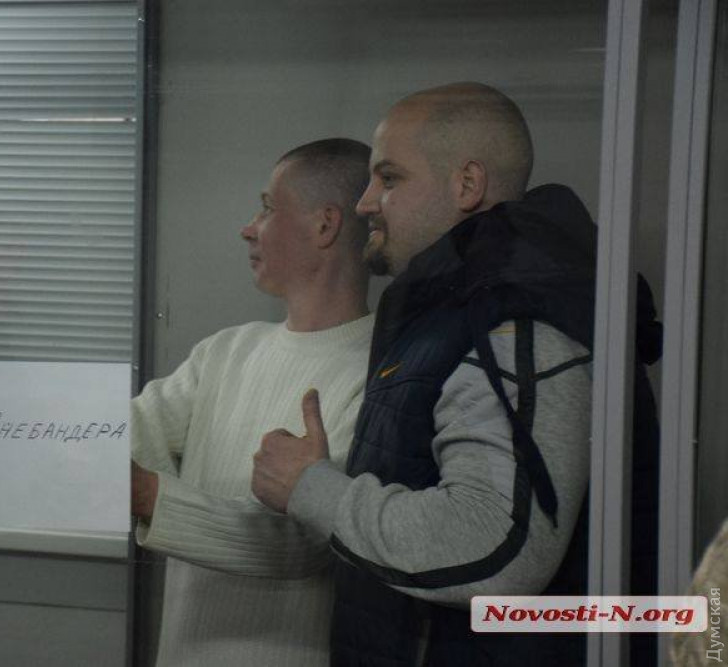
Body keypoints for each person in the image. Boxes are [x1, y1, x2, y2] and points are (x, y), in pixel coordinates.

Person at [251, 83, 661, 666]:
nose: (366, 202)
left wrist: (309, 488)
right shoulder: (455, 308)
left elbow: (491, 546)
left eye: (388, 178)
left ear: (467, 184)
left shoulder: (516, 319)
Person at [131, 138, 375, 667]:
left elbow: (309, 542)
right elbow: (133, 431)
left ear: (325, 225)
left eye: (266, 208)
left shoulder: (378, 374)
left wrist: (148, 495)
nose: (248, 228)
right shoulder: (225, 351)